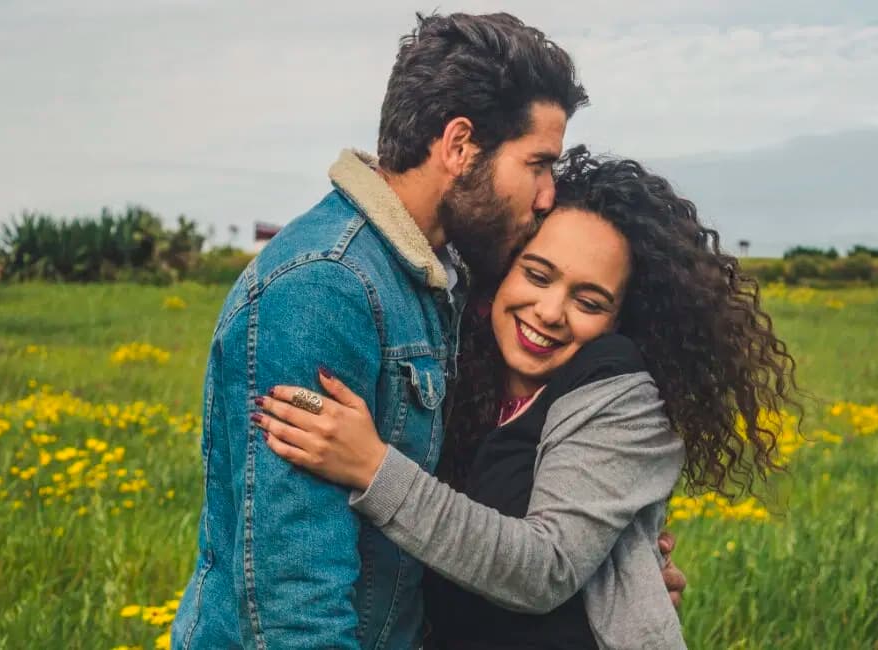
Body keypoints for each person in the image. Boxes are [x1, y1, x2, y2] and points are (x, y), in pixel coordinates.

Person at [170, 13, 682, 650]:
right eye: (538, 164)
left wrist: (616, 574)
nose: (548, 194)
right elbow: (292, 599)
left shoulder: (440, 279)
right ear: (461, 146)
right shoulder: (324, 289)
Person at [254, 148, 799, 649]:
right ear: (502, 270)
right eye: (538, 275)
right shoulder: (456, 371)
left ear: (620, 319)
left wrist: (372, 467)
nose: (549, 311)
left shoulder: (624, 395)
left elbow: (545, 568)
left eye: (588, 300)